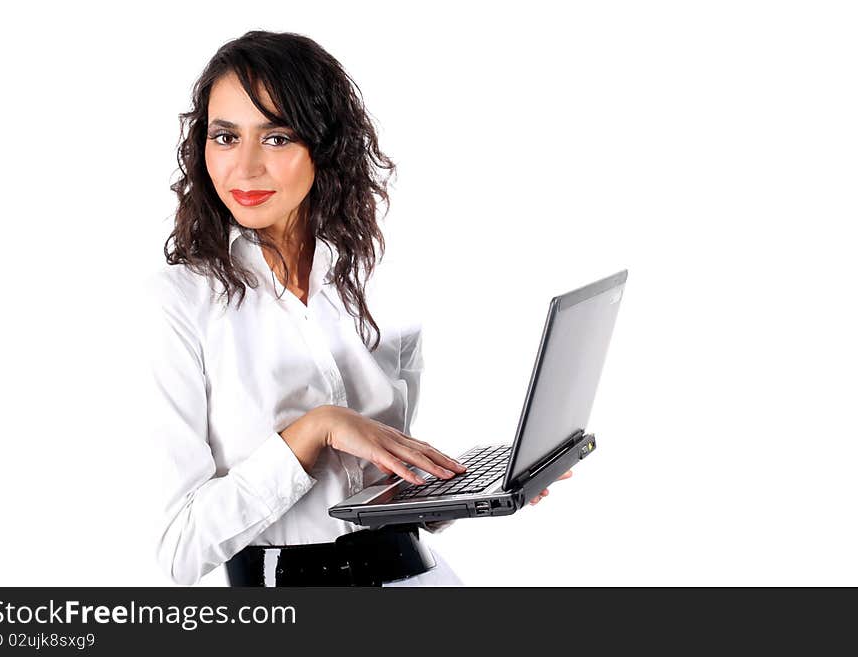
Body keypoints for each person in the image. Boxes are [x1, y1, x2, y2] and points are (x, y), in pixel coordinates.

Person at [144, 30, 569, 588]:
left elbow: (381, 492)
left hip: (418, 578)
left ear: (324, 145)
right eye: (226, 137)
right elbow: (179, 551)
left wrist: (468, 491)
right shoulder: (182, 301)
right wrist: (315, 430)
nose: (243, 168)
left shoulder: (374, 280)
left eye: (276, 138)